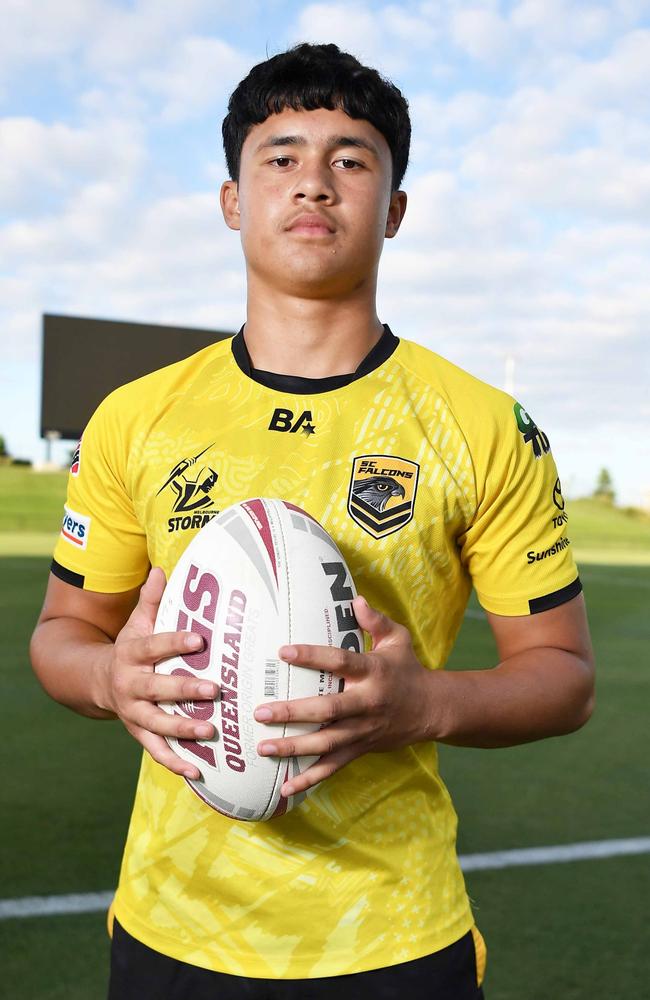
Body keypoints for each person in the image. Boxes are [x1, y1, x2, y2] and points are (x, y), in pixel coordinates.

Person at [30, 42, 595, 1000]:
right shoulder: (135, 418)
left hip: (392, 937)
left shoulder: (482, 425)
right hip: (174, 924)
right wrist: (105, 680)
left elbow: (565, 676)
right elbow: (63, 635)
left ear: (396, 209)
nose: (315, 184)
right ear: (232, 201)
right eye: (280, 156)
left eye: (352, 158)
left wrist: (428, 705)